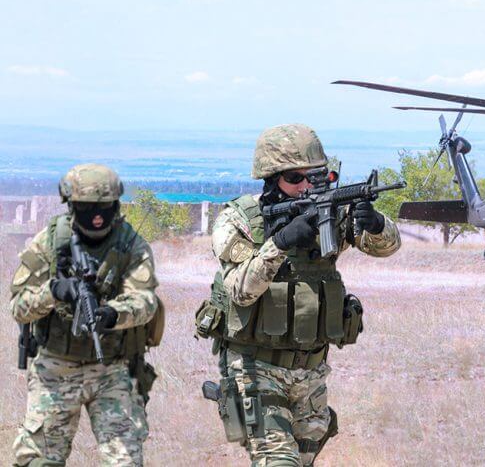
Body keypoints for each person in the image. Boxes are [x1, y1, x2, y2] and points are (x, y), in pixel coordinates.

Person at [196, 124, 400, 466]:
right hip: (254, 367)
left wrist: (376, 224)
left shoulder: (331, 216)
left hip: (311, 372)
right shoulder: (240, 220)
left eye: (317, 177)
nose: (306, 186)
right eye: (294, 178)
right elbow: (240, 291)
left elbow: (386, 248)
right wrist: (280, 243)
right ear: (271, 179)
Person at [10, 163, 161, 466]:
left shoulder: (130, 243)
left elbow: (145, 301)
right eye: (88, 208)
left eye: (104, 208)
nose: (97, 215)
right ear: (72, 206)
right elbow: (19, 308)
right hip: (55, 369)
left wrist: (112, 314)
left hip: (112, 369)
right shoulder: (49, 241)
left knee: (126, 462)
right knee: (37, 461)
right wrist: (54, 291)